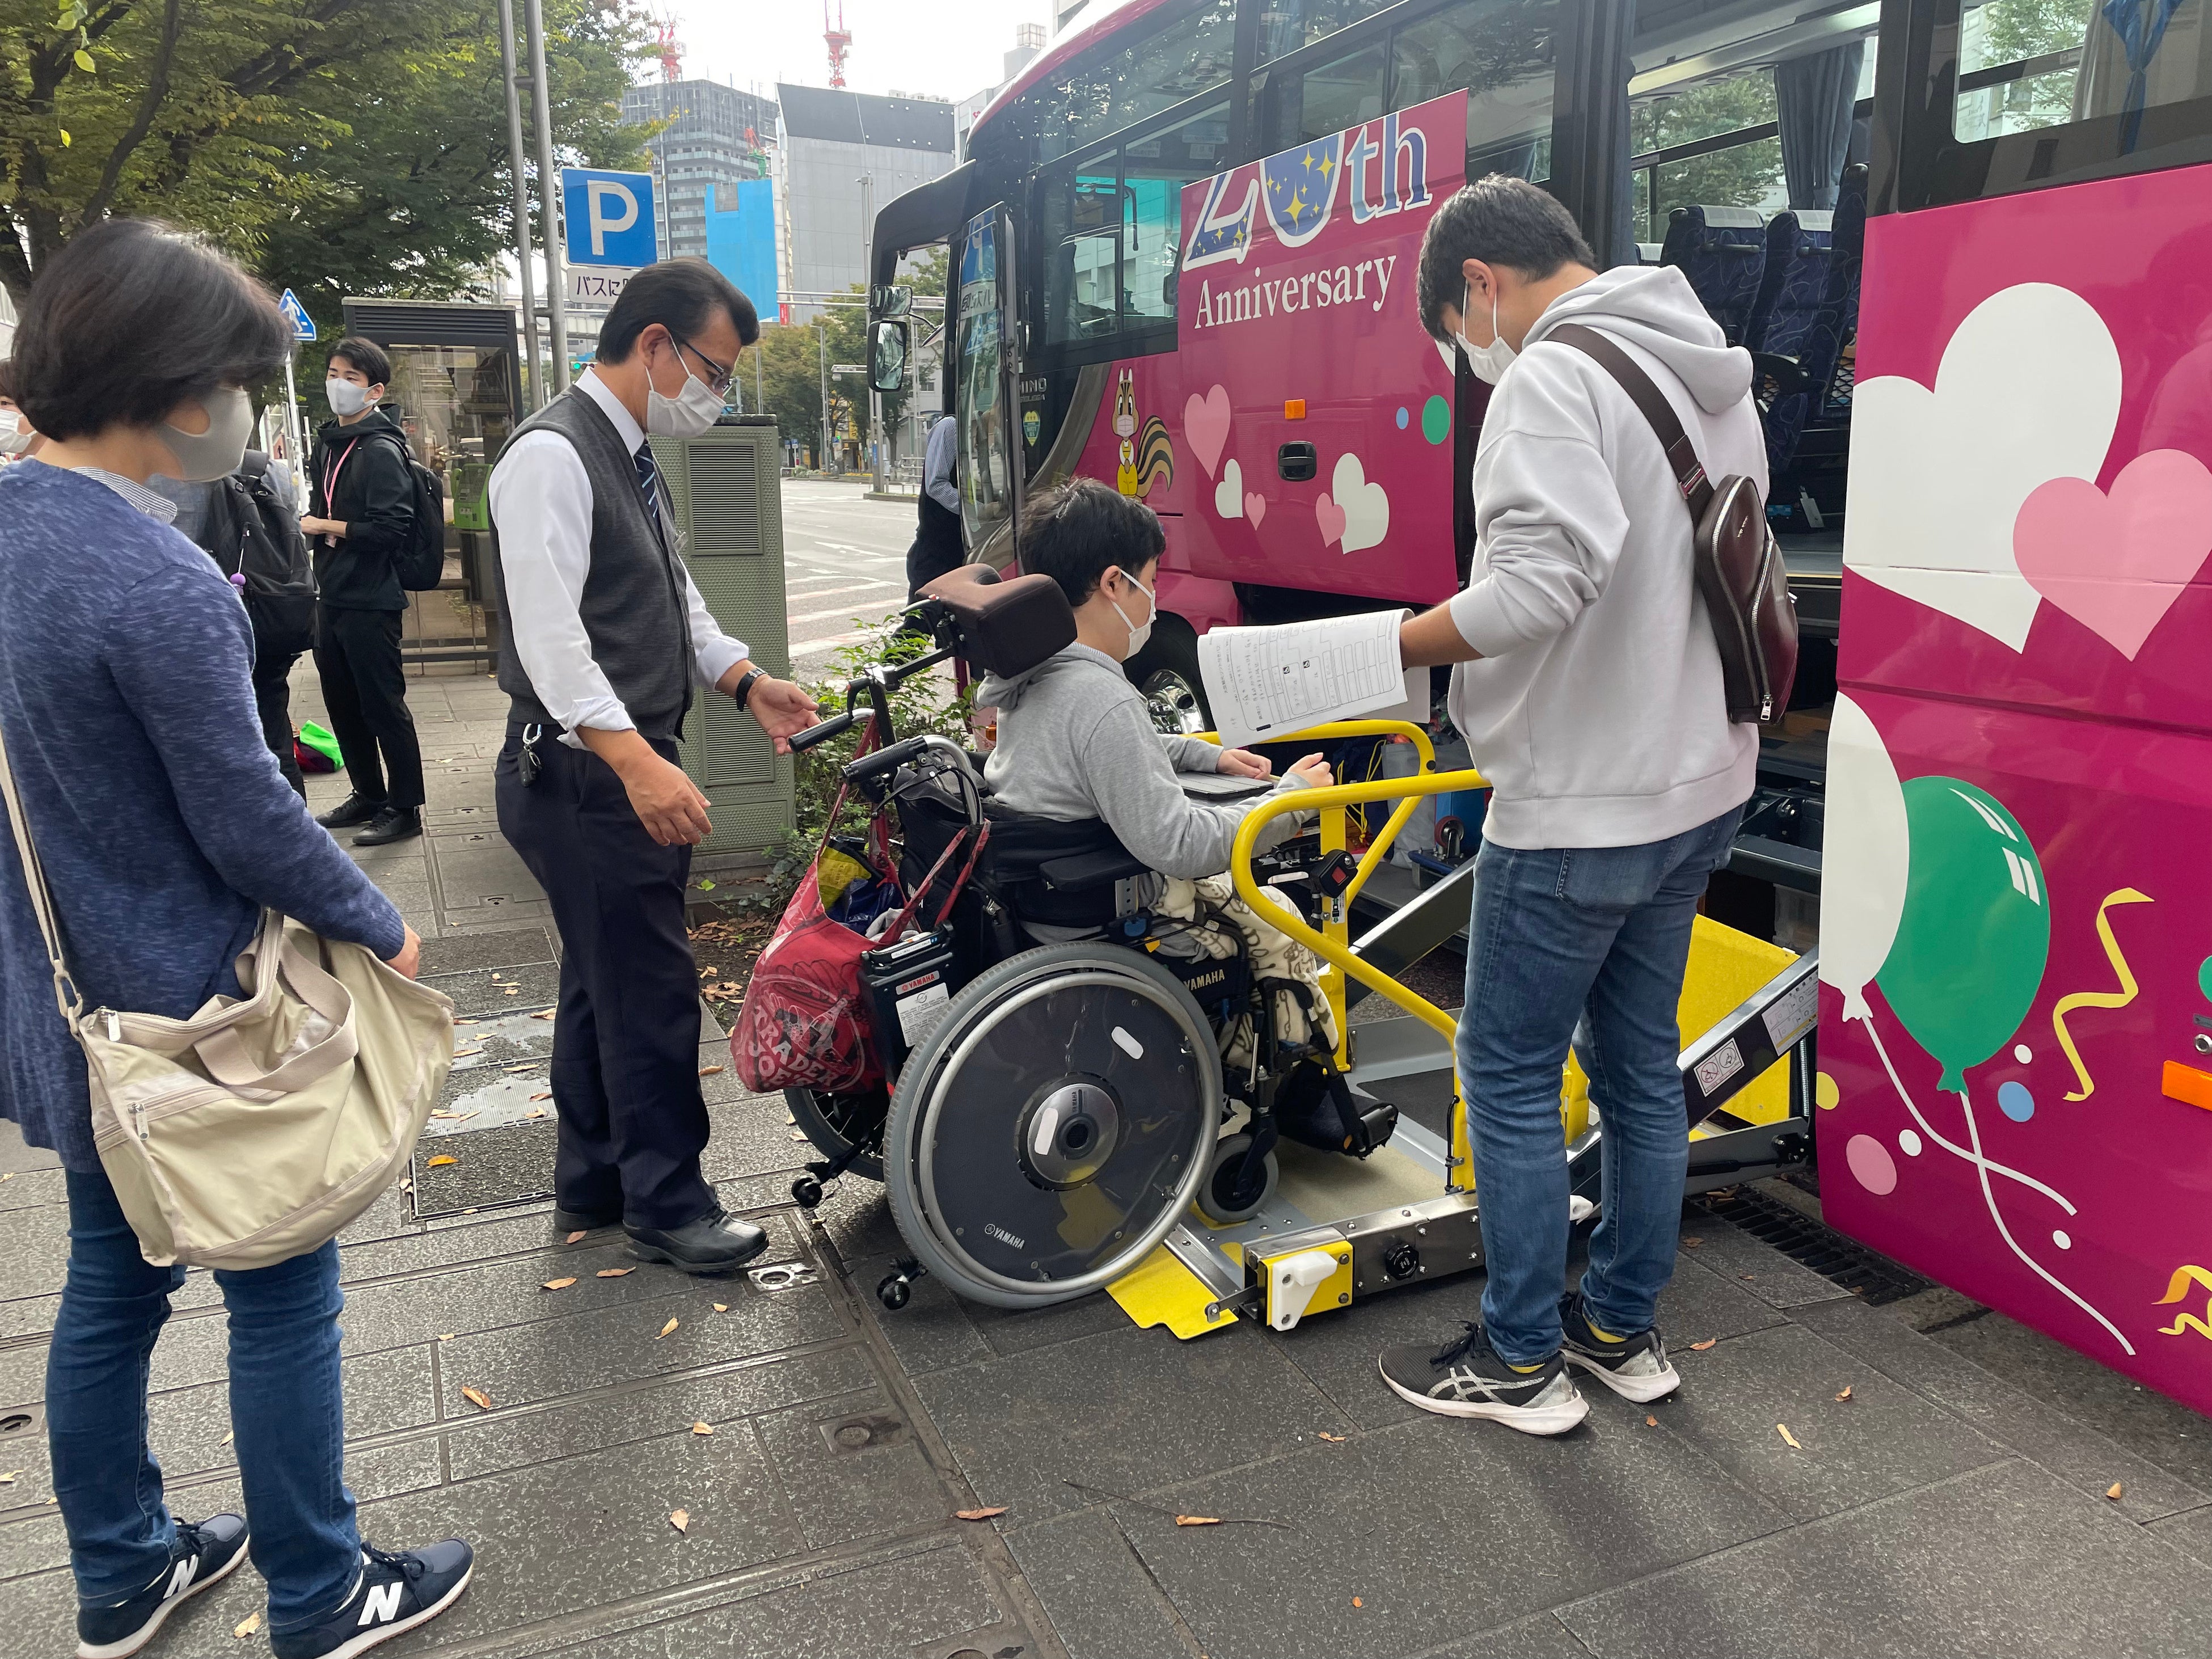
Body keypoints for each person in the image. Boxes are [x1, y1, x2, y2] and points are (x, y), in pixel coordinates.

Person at [0, 219, 471, 1659]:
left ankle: (124, 1569)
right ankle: (321, 1589)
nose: (246, 409)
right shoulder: (156, 581)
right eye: (236, 380)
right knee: (282, 1289)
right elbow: (251, 818)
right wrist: (378, 920)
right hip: (199, 1017)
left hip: (62, 1003)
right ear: (171, 381)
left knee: (109, 1284)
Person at [1371, 178, 1762, 1435]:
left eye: (1459, 333)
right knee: (1641, 1068)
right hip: (1700, 781)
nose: (1472, 357)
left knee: (1508, 1070)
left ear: (1481, 283)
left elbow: (1540, 587)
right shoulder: (1709, 371)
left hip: (1585, 798)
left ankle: (1520, 1357)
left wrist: (1388, 647)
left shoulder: (1549, 375)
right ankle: (1619, 1331)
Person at [489, 257, 819, 1274]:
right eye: (713, 371)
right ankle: (670, 1204)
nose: (715, 395)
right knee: (651, 989)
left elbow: (676, 597)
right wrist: (638, 765)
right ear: (654, 345)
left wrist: (744, 681)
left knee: (604, 978)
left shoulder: (627, 452)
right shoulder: (553, 456)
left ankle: (595, 1178)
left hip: (606, 764)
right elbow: (552, 645)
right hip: (586, 774)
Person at [981, 478, 1331, 880]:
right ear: (1114, 583)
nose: (1153, 596)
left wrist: (1206, 755)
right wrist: (1294, 797)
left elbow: (1105, 749)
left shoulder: (1032, 670)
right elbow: (1183, 845)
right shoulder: (1102, 699)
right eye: (1151, 580)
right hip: (1118, 903)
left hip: (1037, 895)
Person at [303, 336, 425, 846]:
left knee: (382, 706)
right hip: (331, 595)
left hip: (372, 599)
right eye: (334, 373)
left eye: (350, 377)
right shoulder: (330, 443)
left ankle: (405, 807)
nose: (338, 384)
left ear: (374, 391)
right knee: (342, 704)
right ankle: (368, 794)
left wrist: (324, 526)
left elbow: (392, 529)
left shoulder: (379, 449)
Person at [150, 450, 316, 796]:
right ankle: (290, 818)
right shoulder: (267, 468)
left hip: (193, 624)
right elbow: (291, 538)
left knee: (208, 745)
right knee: (274, 732)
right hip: (265, 614)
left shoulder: (151, 471)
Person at [905, 411, 963, 598]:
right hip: (936, 552)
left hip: (956, 549)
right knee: (924, 613)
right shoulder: (952, 426)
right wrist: (976, 509)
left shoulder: (977, 437)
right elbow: (935, 485)